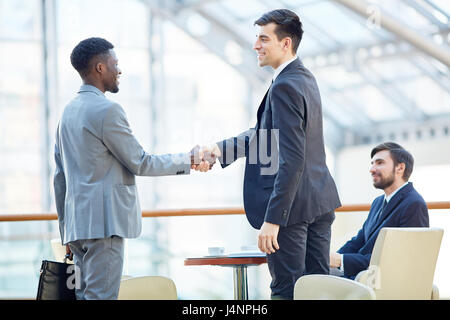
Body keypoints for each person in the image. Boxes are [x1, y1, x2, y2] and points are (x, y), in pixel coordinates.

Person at [53, 37, 212, 300]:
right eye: (115, 63)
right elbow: (141, 161)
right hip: (104, 225)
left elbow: (59, 178)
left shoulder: (67, 113)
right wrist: (189, 160)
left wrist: (66, 230)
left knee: (83, 297)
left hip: (77, 228)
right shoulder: (106, 111)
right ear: (100, 68)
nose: (120, 70)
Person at [207, 9, 341, 299]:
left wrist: (274, 219)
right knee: (317, 290)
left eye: (263, 38)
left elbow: (291, 159)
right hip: (318, 203)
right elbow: (264, 135)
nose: (256, 45)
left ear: (286, 43)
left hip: (292, 211)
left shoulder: (284, 86)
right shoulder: (303, 78)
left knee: (287, 291)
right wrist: (220, 150)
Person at [329, 142, 429, 279]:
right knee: (308, 273)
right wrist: (330, 259)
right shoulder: (377, 203)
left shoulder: (413, 204)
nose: (371, 169)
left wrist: (341, 260)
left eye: (379, 163)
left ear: (400, 168)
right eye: (372, 163)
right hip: (363, 275)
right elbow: (359, 241)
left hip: (380, 281)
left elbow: (399, 259)